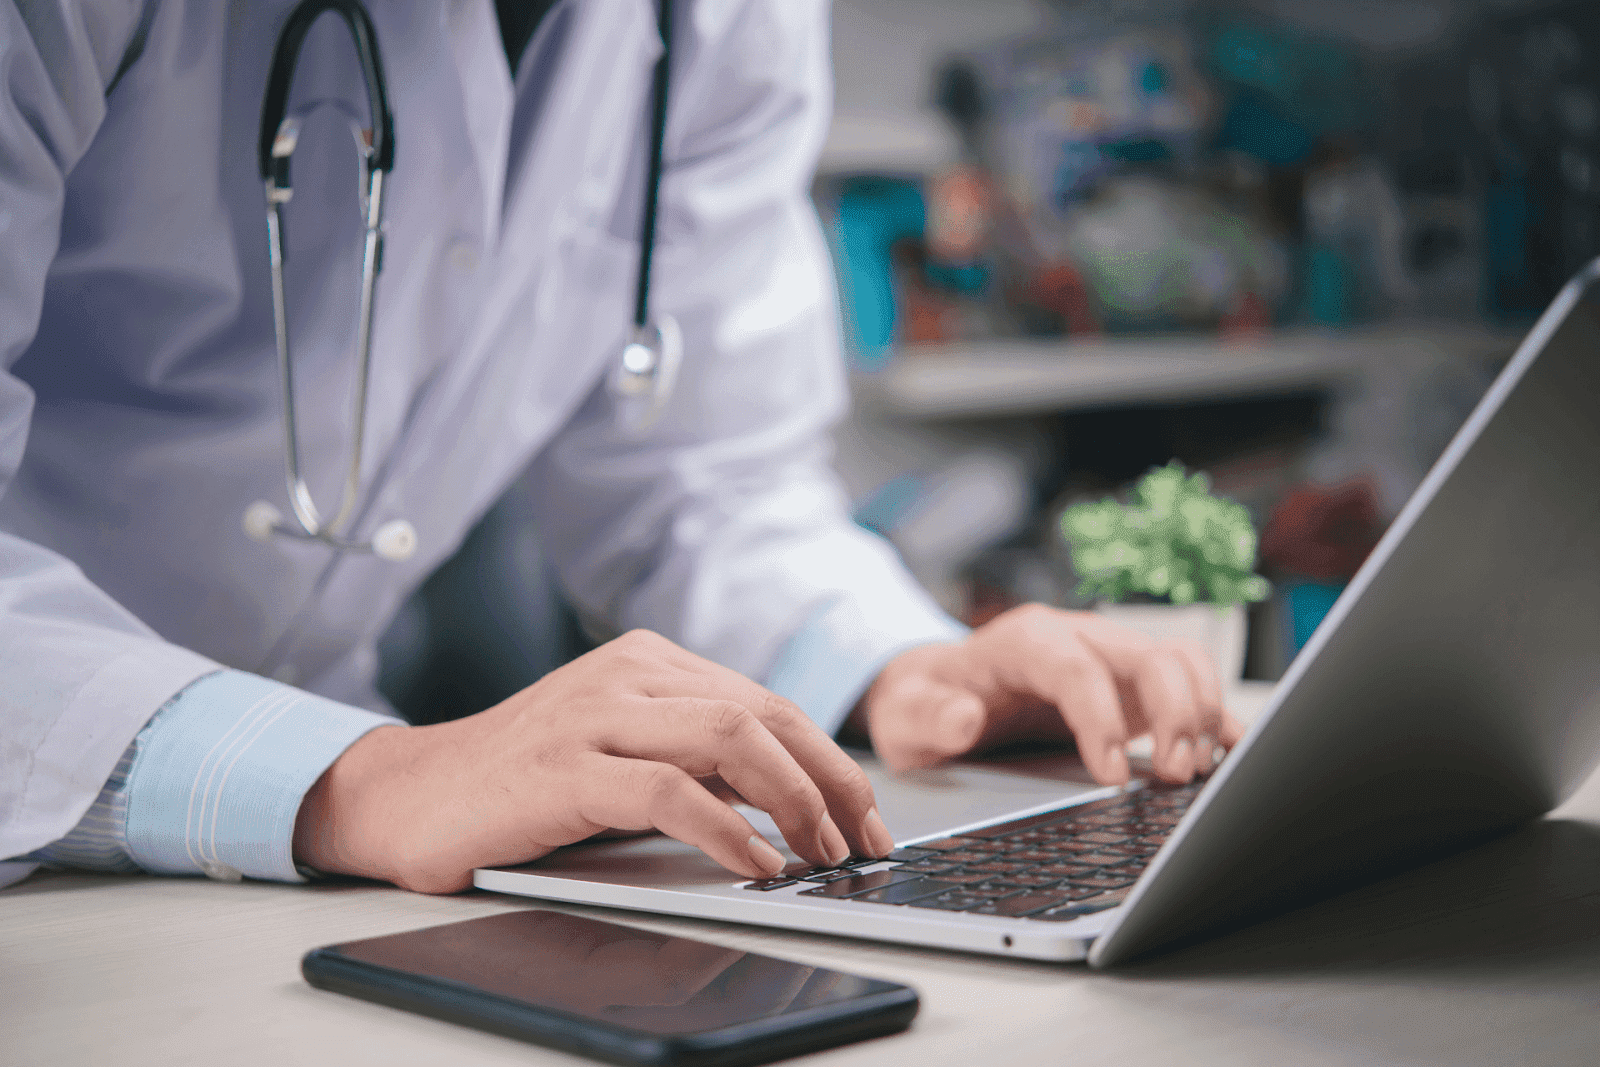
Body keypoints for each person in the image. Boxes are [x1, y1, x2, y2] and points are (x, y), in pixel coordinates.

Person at [0, 0, 1241, 895]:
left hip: (329, 860)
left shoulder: (721, 21)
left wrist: (900, 666)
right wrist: (356, 780)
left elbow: (701, 471)